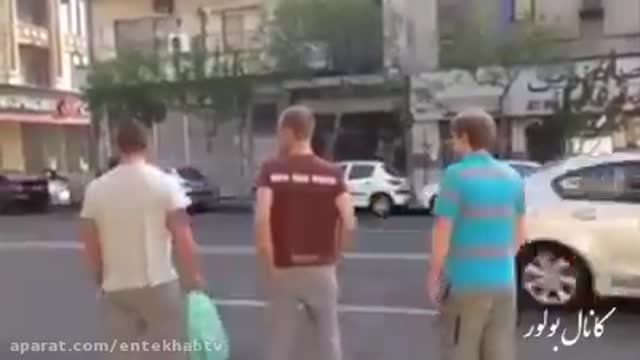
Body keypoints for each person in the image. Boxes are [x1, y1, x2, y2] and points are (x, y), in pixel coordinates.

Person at [79, 121, 205, 360]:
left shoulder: (96, 189)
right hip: (159, 283)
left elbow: (90, 241)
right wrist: (193, 277)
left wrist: (99, 277)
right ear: (147, 145)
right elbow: (183, 237)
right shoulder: (165, 184)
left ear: (118, 147)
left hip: (117, 287)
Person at [254, 105, 357, 360]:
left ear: (289, 132)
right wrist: (338, 254)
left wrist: (268, 261)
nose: (279, 138)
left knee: (279, 342)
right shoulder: (333, 174)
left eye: (280, 132)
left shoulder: (271, 170)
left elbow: (262, 218)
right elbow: (349, 220)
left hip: (284, 267)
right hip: (322, 267)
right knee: (328, 339)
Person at [426, 108, 526, 360]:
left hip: (466, 283)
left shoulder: (455, 176)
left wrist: (435, 275)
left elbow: (442, 232)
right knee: (499, 352)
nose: (452, 142)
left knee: (461, 350)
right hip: (504, 282)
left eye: (454, 136)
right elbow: (521, 235)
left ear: (464, 137)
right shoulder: (513, 176)